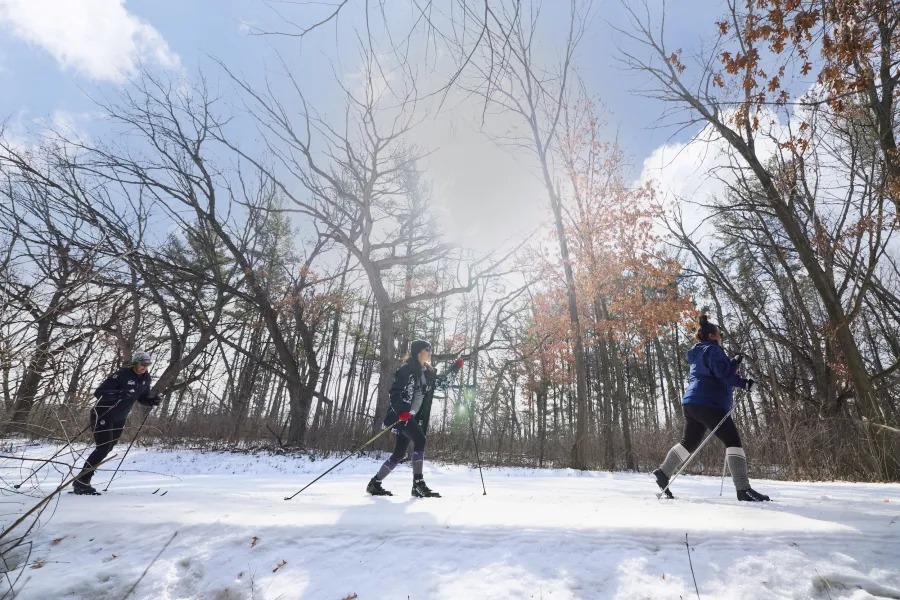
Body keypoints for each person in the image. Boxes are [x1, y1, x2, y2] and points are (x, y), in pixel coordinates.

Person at [652, 316, 770, 502]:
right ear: (713, 335)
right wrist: (745, 383)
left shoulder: (698, 353)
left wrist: (733, 362)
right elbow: (723, 375)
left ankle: (664, 472)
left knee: (689, 442)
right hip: (709, 403)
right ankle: (743, 489)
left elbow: (715, 371)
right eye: (720, 335)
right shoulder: (714, 350)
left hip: (692, 402)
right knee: (733, 441)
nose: (721, 337)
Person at [367, 340, 462, 498]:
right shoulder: (406, 370)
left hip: (410, 417)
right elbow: (395, 392)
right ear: (419, 352)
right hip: (401, 415)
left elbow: (442, 385)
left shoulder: (427, 372)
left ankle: (374, 484)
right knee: (420, 440)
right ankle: (418, 484)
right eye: (427, 350)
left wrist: (456, 368)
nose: (430, 353)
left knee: (399, 454)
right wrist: (401, 411)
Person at [72, 350, 159, 495]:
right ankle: (82, 482)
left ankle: (81, 480)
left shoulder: (146, 378)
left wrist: (151, 401)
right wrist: (118, 394)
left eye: (147, 364)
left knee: (109, 447)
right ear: (135, 363)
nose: (145, 367)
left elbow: (142, 398)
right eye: (142, 364)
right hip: (104, 413)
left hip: (120, 417)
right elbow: (99, 392)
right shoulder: (122, 374)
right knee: (103, 447)